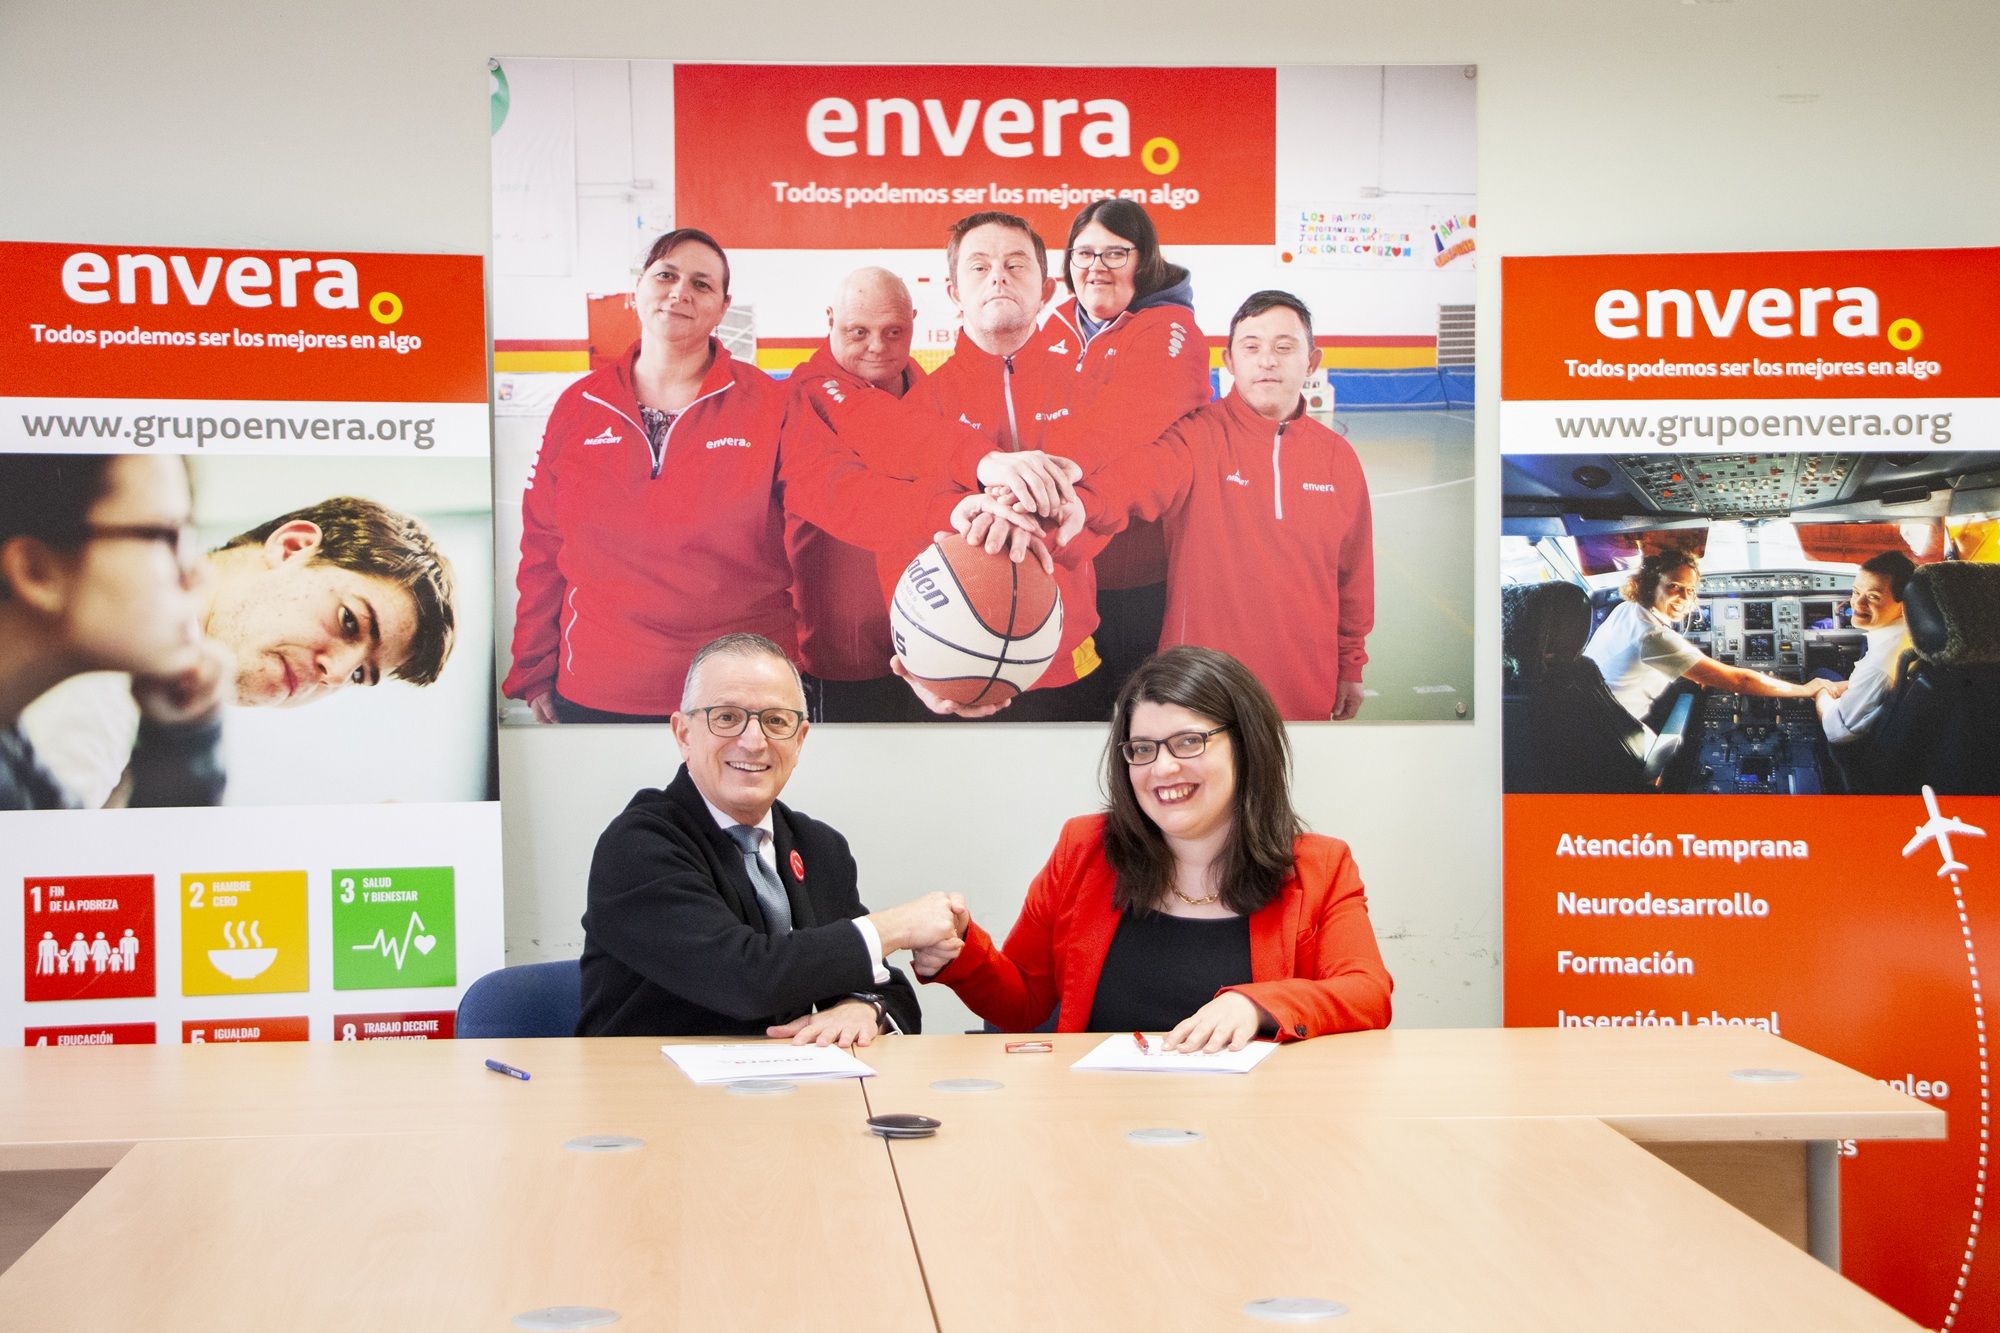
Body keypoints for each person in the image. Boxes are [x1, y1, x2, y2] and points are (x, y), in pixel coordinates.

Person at [912, 645, 1393, 1050]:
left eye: (1188, 742)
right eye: (1143, 749)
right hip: (1100, 1115)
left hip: (1255, 1117)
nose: (1162, 769)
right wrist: (960, 953)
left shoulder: (1320, 865)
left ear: (1247, 746)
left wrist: (1255, 1004)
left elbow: (1368, 993)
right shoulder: (1083, 849)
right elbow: (1024, 1005)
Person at [577, 632, 960, 1043]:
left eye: (776, 721)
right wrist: (895, 927)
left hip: (789, 1079)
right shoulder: (638, 845)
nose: (754, 742)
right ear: (683, 734)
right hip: (649, 1080)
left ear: (800, 739)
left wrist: (864, 1007)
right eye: (727, 717)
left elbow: (888, 989)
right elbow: (743, 978)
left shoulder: (820, 847)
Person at [505, 228, 794, 723]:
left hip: (739, 693)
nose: (680, 292)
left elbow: (813, 542)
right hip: (600, 688)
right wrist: (532, 668)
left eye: (701, 284)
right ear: (638, 288)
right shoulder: (579, 406)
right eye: (666, 275)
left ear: (723, 308)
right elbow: (543, 547)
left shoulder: (771, 405)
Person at [21, 494, 457, 806]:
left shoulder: (166, 716)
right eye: (349, 621)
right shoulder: (117, 644)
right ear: (291, 547)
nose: (336, 674)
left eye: (360, 674)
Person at [1076, 291, 1374, 721]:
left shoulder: (1338, 458)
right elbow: (1134, 481)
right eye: (1251, 347)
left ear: (1311, 362)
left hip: (1305, 691)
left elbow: (1354, 576)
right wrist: (1080, 503)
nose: (1267, 360)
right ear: (1229, 361)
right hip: (1200, 693)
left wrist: (1351, 665)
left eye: (1284, 347)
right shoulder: (1196, 438)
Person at [778, 267, 1059, 721]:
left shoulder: (930, 394)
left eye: (893, 331)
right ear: (830, 320)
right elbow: (864, 468)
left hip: (940, 634)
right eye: (858, 331)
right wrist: (977, 473)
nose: (877, 346)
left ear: (912, 322)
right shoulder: (807, 394)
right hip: (846, 655)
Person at [906, 211, 1108, 721]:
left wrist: (1054, 529)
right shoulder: (921, 406)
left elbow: (1108, 509)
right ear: (954, 292)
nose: (998, 276)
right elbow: (902, 535)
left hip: (1065, 660)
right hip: (956, 662)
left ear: (1047, 290)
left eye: (1016, 265)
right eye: (979, 267)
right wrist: (918, 662)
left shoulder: (1090, 392)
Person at [1046, 199, 1212, 710]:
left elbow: (1130, 416)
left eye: (1115, 253)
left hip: (1135, 577)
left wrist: (1053, 472)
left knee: (1137, 714)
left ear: (1144, 259)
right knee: (1073, 711)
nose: (1096, 266)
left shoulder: (1172, 329)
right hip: (1061, 571)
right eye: (1084, 253)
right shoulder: (1055, 324)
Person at [0, 455, 228, 810]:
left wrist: (180, 738)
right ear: (36, 571)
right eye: (166, 535)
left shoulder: (15, 758)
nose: (199, 574)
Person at [1583, 549, 1826, 736]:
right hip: (1616, 732)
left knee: (1688, 688)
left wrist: (1700, 673)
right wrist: (1807, 690)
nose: (1684, 598)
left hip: (1595, 717)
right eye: (1674, 587)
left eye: (1690, 590)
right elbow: (1740, 681)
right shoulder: (1653, 636)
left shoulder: (1627, 608)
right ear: (1650, 585)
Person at [1817, 551, 1916, 745]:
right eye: (1856, 592)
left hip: (1857, 753)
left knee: (1819, 673)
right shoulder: (1911, 630)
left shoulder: (1879, 666)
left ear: (1903, 604)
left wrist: (1821, 691)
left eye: (1873, 597)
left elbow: (1837, 733)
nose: (1858, 604)